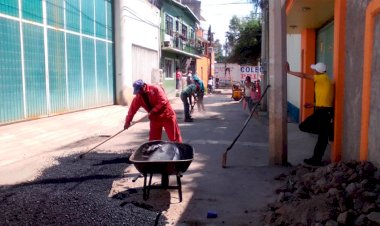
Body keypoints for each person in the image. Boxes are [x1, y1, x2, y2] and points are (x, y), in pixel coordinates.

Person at [286, 62, 334, 166]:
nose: (314, 71)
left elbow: (303, 75)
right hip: (323, 110)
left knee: (304, 126)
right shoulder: (326, 80)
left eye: (315, 70)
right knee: (322, 136)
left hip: (324, 112)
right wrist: (313, 104)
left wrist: (289, 72)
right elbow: (326, 98)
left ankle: (316, 159)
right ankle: (317, 156)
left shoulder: (321, 78)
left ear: (318, 71)